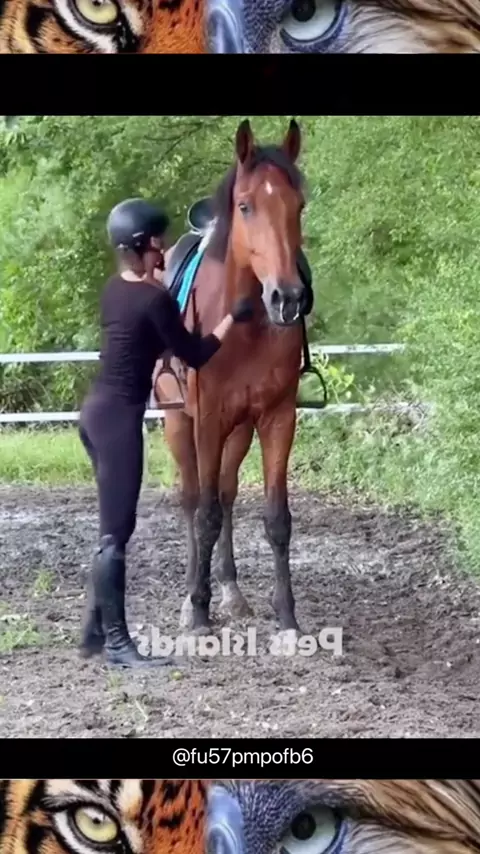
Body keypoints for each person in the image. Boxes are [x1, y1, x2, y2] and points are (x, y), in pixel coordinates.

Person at [78, 197, 254, 668]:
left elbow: (144, 339)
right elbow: (195, 354)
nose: (164, 249)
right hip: (118, 421)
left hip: (95, 415)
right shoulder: (156, 300)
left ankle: (94, 631)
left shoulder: (115, 289)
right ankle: (118, 645)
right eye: (159, 242)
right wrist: (232, 317)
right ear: (145, 245)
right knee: (117, 532)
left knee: (111, 528)